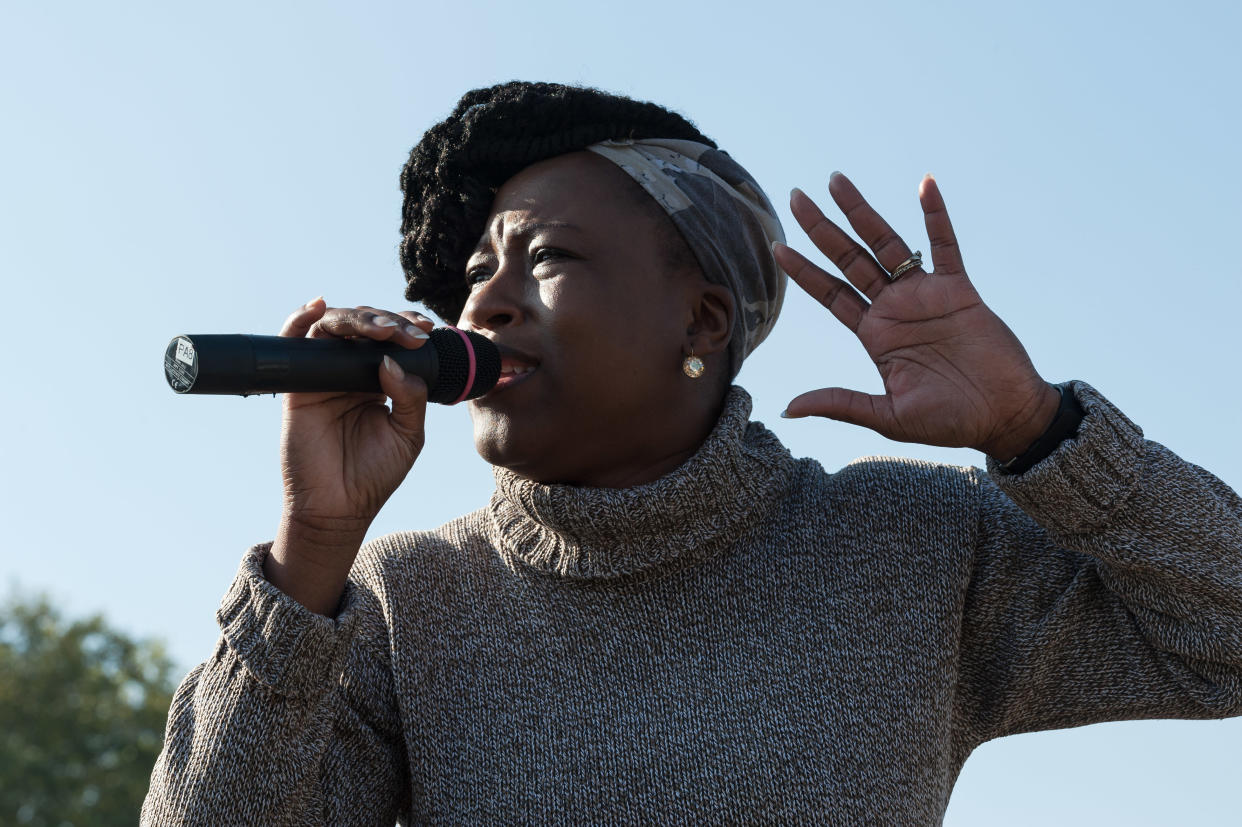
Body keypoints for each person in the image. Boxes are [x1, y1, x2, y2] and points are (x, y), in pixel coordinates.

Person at [142, 81, 1242, 825]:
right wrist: (315, 542)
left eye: (548, 254)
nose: (484, 295)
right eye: (479, 266)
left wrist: (1036, 427)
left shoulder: (908, 543)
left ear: (704, 324)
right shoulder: (403, 599)